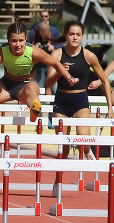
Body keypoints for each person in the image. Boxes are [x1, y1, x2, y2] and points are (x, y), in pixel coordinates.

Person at [46, 21, 113, 197]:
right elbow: (48, 83)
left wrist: (110, 108)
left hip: (80, 100)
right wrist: (61, 72)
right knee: (64, 148)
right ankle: (57, 181)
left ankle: (86, 150)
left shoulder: (89, 56)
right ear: (66, 35)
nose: (75, 37)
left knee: (84, 138)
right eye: (71, 34)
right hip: (61, 101)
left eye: (78, 34)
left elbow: (105, 80)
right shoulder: (57, 54)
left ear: (82, 36)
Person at [0, 22, 78, 123]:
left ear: (26, 39)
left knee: (31, 90)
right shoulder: (1, 52)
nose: (18, 45)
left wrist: (69, 78)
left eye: (21, 41)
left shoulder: (34, 52)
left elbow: (56, 63)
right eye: (14, 41)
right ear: (8, 40)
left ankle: (34, 109)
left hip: (26, 85)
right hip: (5, 86)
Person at [28, 21, 62, 129]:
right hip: (39, 66)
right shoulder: (32, 33)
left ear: (48, 31)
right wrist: (34, 46)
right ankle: (40, 120)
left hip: (51, 65)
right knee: (39, 92)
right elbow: (25, 45)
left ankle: (52, 119)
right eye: (42, 35)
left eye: (46, 35)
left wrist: (53, 48)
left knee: (55, 92)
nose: (44, 37)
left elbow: (61, 45)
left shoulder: (54, 31)